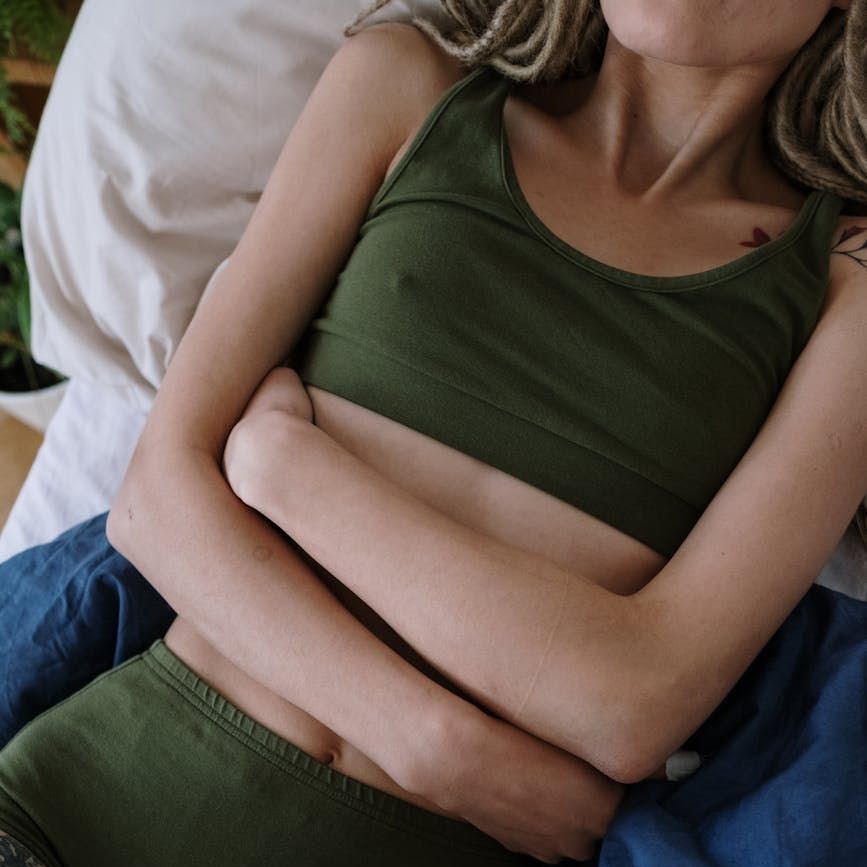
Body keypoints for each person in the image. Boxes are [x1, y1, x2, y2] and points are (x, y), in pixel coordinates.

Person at [1, 1, 866, 864]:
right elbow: (155, 506)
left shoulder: (838, 282)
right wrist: (437, 748)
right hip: (76, 805)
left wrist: (286, 470)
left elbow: (635, 703)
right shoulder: (408, 85)